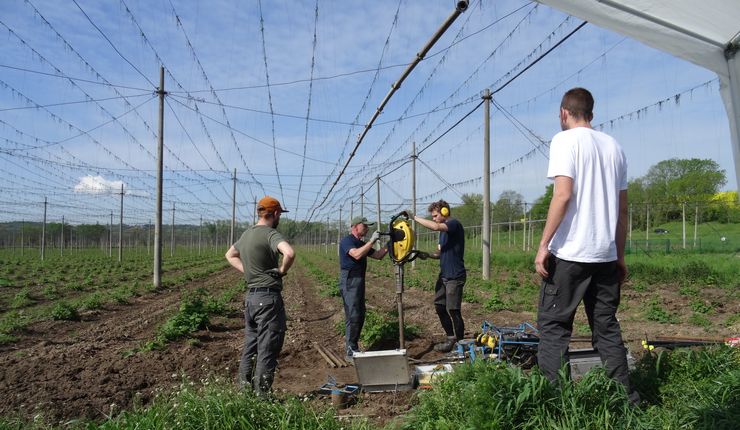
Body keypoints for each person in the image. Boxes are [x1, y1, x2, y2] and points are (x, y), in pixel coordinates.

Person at [534, 87, 639, 404]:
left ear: (564, 113)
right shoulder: (614, 147)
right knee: (606, 329)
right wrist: (619, 255)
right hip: (605, 256)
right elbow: (622, 211)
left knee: (554, 328)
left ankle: (557, 404)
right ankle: (625, 403)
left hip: (569, 255)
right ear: (591, 113)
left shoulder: (564, 140)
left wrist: (543, 245)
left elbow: (563, 195)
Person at [225, 195, 295, 396]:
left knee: (250, 347)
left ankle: (244, 392)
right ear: (274, 213)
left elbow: (229, 255)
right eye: (279, 214)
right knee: (267, 348)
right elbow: (289, 253)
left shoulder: (247, 234)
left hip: (251, 299)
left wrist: (248, 271)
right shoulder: (270, 234)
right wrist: (282, 270)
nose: (280, 217)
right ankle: (262, 397)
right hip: (268, 299)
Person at [413, 200, 466, 353]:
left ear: (444, 212)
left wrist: (414, 218)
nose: (434, 219)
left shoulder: (454, 224)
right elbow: (440, 253)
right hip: (444, 275)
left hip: (455, 276)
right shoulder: (443, 234)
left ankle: (461, 345)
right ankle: (451, 338)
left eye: (435, 215)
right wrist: (427, 255)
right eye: (433, 216)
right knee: (439, 306)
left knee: (454, 310)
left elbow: (435, 226)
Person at [339, 216, 388, 361]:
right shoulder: (347, 241)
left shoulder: (361, 243)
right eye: (364, 226)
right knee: (353, 314)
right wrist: (372, 241)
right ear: (355, 227)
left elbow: (378, 255)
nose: (367, 228)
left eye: (368, 226)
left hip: (359, 279)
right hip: (350, 280)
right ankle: (350, 349)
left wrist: (390, 244)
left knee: (360, 314)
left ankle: (354, 346)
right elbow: (357, 254)